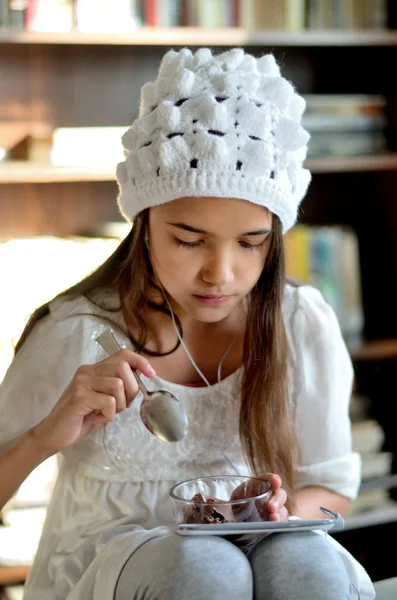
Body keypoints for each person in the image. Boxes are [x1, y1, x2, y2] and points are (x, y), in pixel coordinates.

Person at [0, 47, 375, 600]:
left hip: (252, 559)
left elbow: (331, 490)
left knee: (307, 562)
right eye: (189, 239)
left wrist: (278, 511)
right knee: (204, 570)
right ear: (144, 223)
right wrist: (43, 436)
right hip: (112, 573)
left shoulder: (300, 324)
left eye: (252, 243)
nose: (220, 274)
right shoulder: (76, 331)